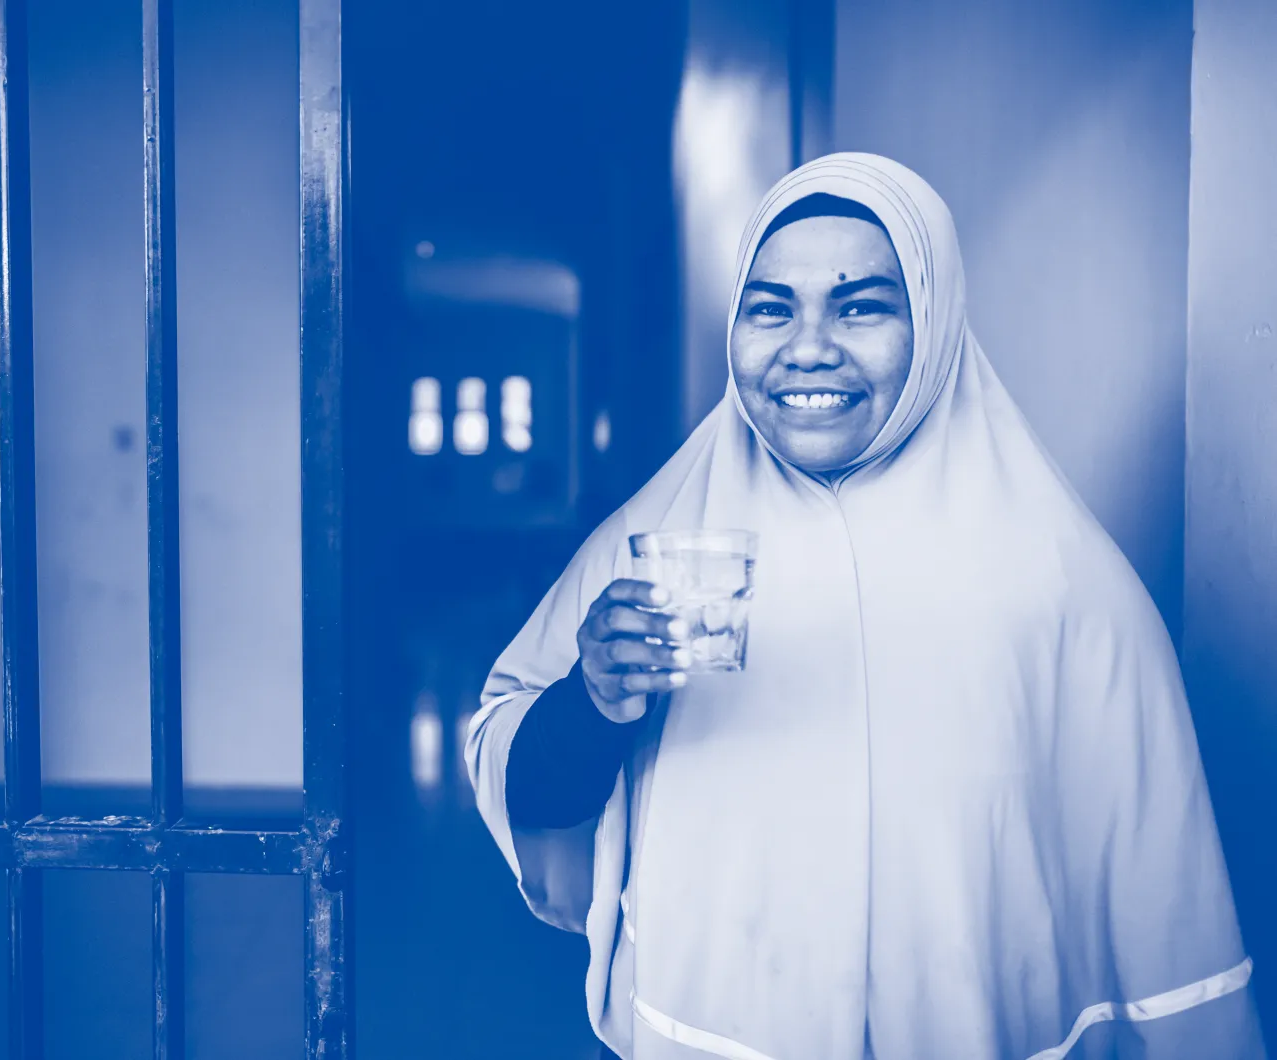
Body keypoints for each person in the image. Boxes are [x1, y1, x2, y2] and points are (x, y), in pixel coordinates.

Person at [465, 153, 1265, 1060]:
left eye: (861, 306)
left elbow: (1161, 887)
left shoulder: (1064, 584)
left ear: (934, 324)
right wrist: (594, 699)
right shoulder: (652, 542)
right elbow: (519, 771)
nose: (808, 346)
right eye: (770, 308)